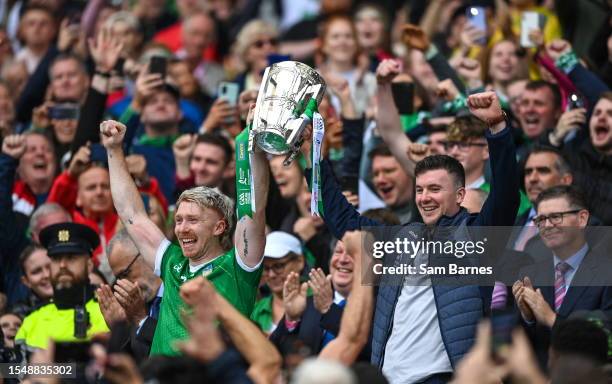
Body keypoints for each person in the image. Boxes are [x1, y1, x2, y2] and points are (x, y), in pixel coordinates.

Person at [307, 90, 519, 383]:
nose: (425, 198)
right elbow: (342, 218)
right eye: (420, 190)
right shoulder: (400, 238)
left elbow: (506, 194)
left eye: (435, 189)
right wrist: (313, 158)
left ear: (459, 195)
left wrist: (497, 129)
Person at [100, 117, 269, 356]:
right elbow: (132, 214)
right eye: (179, 220)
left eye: (193, 220)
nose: (182, 228)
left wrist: (255, 143)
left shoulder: (239, 267)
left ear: (219, 227)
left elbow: (255, 208)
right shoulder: (172, 262)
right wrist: (114, 150)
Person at [512, 185, 612, 369]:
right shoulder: (530, 275)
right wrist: (528, 319)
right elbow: (518, 347)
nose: (547, 226)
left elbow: (607, 338)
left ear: (582, 218)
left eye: (556, 217)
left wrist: (551, 319)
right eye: (541, 219)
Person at [15, 222, 110, 351]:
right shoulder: (32, 320)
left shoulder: (109, 310)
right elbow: (12, 370)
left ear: (89, 265)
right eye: (55, 258)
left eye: (71, 257)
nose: (62, 265)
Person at [251, 231, 305, 334]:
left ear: (300, 261)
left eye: (279, 266)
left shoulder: (318, 300)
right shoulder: (256, 311)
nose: (271, 275)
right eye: (266, 268)